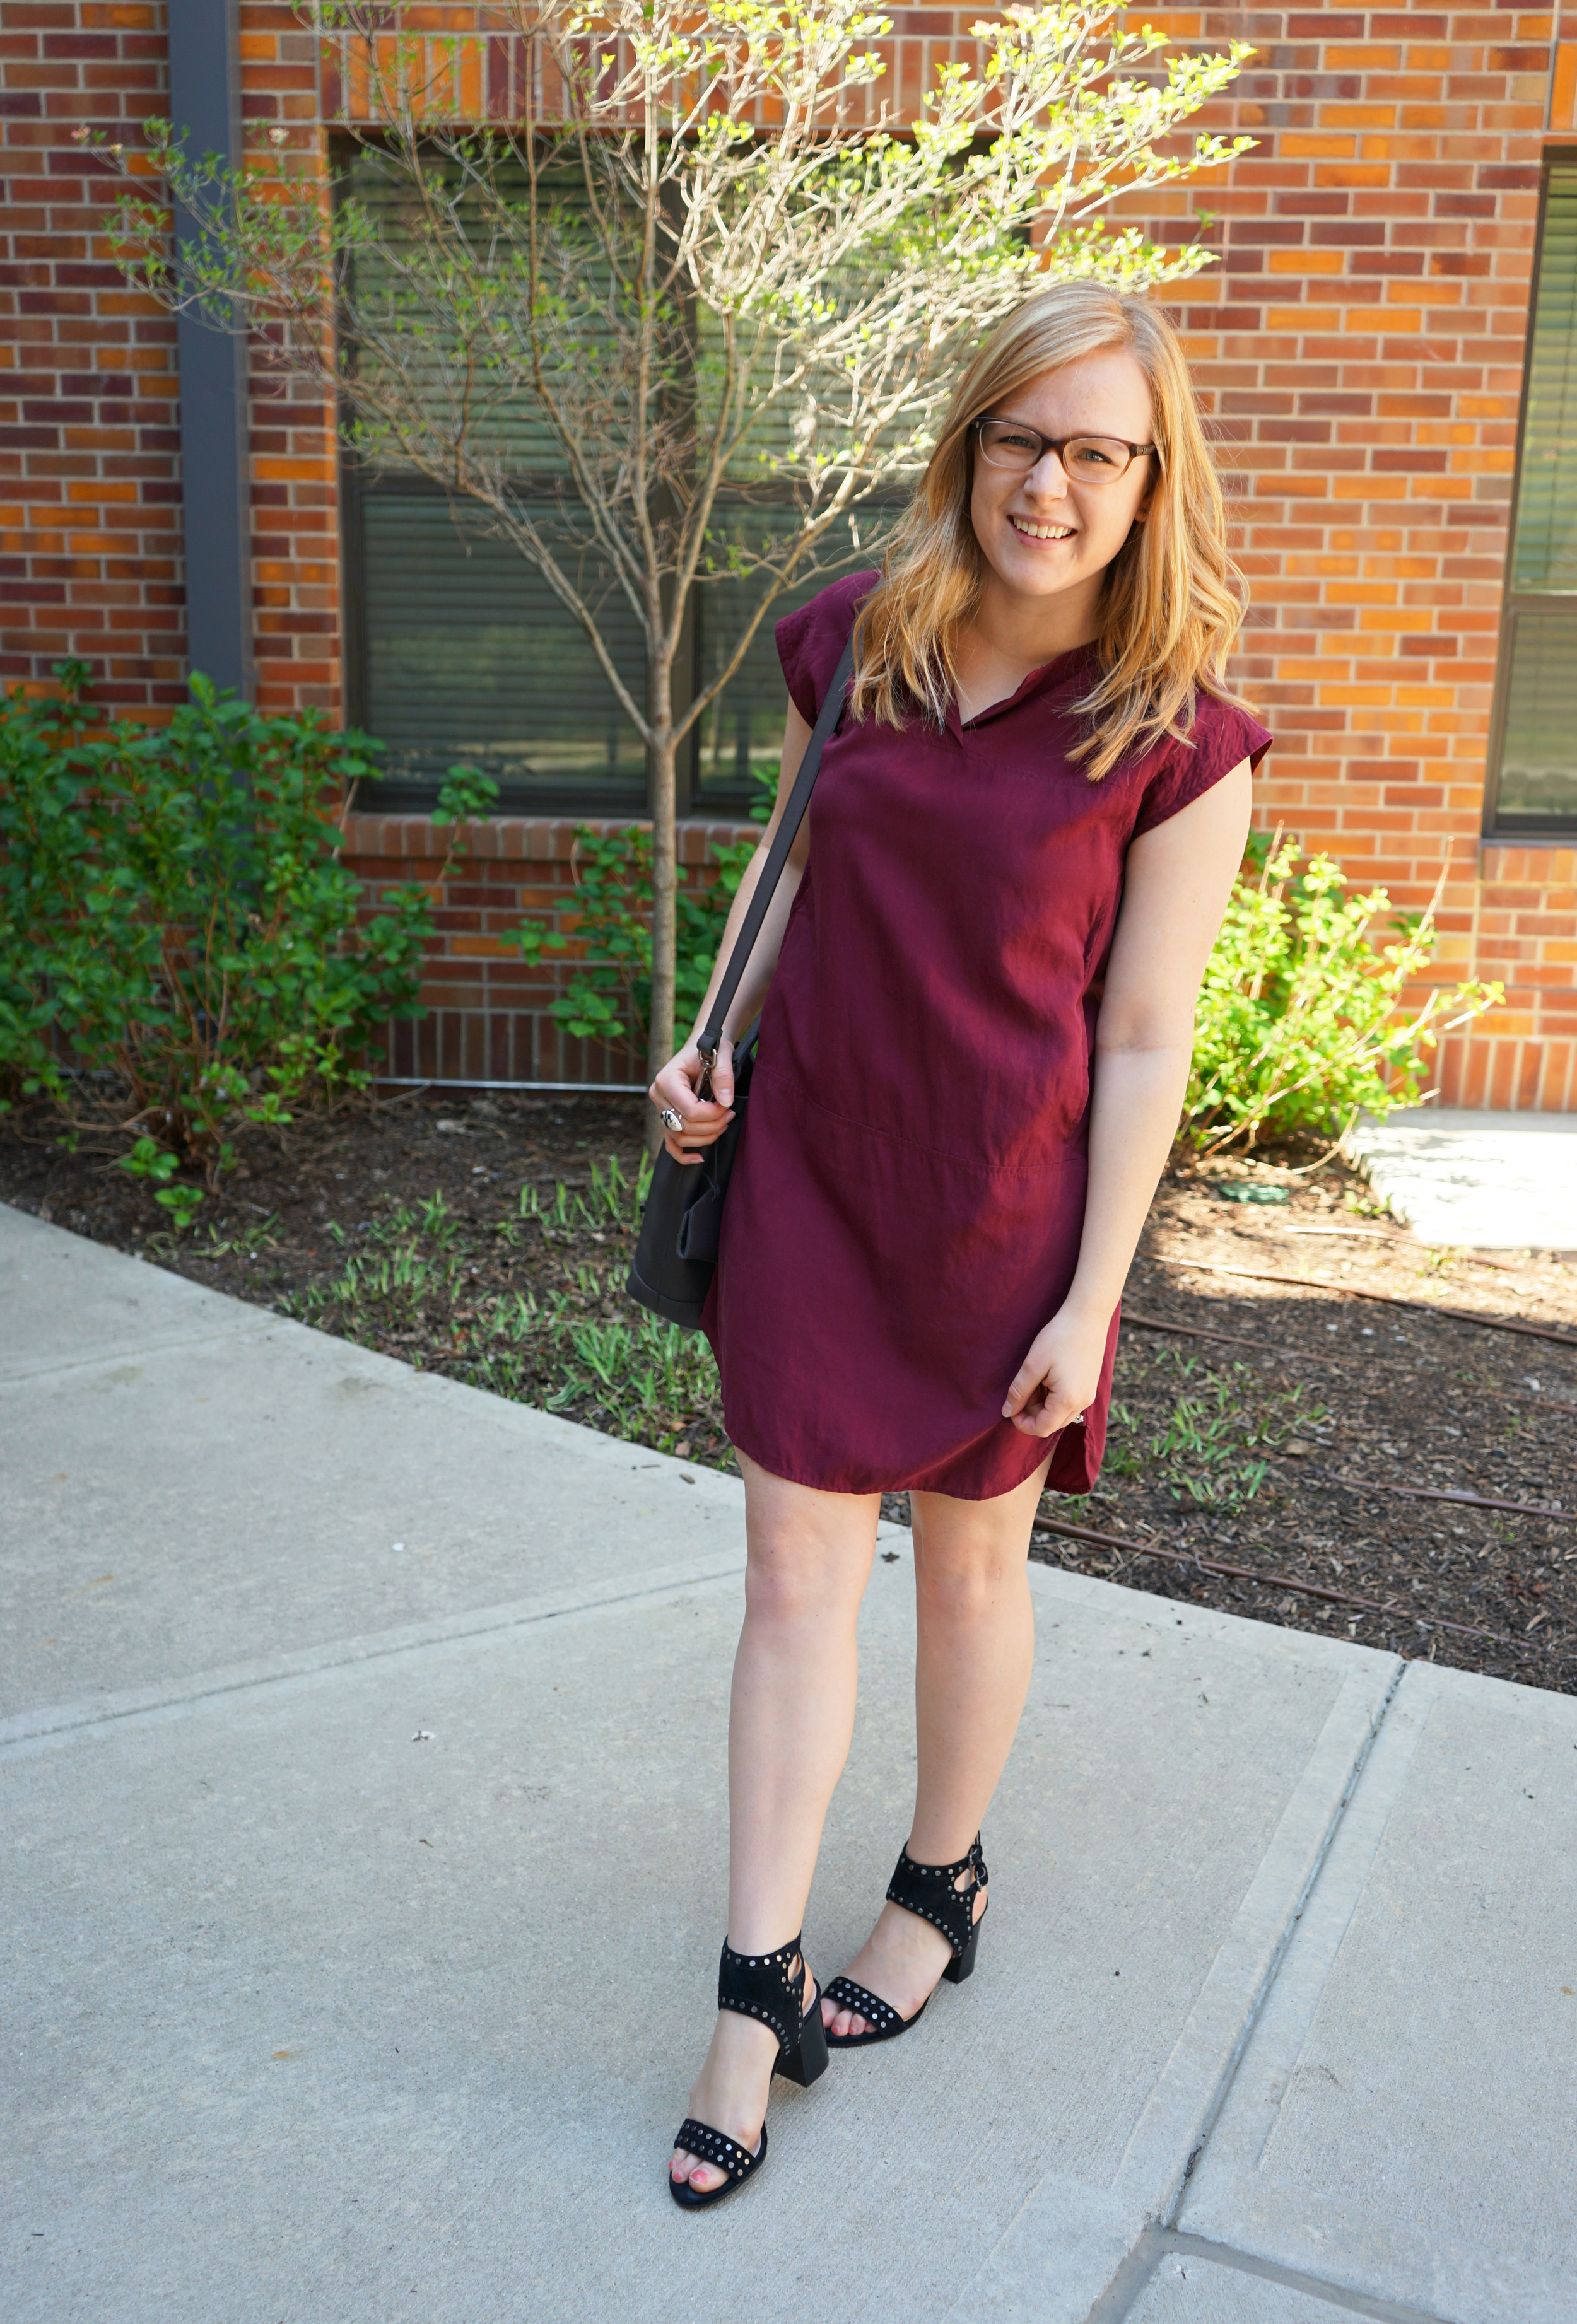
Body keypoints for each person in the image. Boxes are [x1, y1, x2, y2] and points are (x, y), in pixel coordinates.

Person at [649, 279, 1272, 2209]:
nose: (1050, 483)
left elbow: (1147, 1033)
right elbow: (789, 872)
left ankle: (941, 1881)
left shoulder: (1178, 737)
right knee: (786, 1575)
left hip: (1006, 1214)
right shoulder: (857, 639)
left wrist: (1092, 1300)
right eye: (1021, 437)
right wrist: (709, 1040)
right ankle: (749, 1995)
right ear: (968, 444)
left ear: (1150, 481)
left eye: (1097, 451)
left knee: (967, 1574)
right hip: (820, 1173)